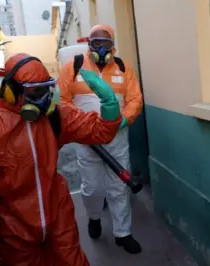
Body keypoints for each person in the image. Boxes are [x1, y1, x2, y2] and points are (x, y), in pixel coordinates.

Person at [0, 53, 123, 265]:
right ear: (11, 91)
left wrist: (110, 105)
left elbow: (100, 132)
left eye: (46, 89)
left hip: (58, 217)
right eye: (35, 92)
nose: (44, 99)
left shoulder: (55, 117)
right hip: (12, 224)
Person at [58, 24, 143, 254]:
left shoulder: (124, 68)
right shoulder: (73, 67)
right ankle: (94, 217)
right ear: (89, 45)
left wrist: (123, 120)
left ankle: (122, 233)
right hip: (87, 142)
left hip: (117, 140)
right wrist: (81, 126)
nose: (101, 49)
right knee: (93, 188)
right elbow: (62, 101)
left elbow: (135, 99)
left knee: (118, 187)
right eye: (96, 43)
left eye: (105, 44)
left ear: (112, 47)